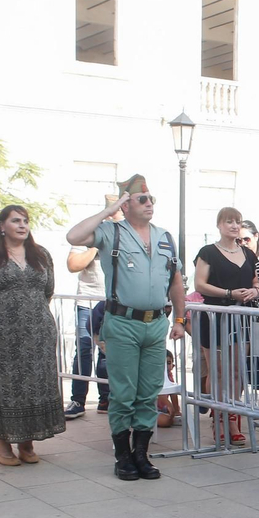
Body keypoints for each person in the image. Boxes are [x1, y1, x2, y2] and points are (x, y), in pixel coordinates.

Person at [65, 175, 186, 482]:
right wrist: (110, 210)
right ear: (126, 203)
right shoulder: (111, 233)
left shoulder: (164, 237)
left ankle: (141, 455)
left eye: (151, 199)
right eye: (141, 199)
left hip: (155, 324)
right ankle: (122, 456)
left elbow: (175, 281)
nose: (149, 204)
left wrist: (181, 320)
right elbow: (73, 236)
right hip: (122, 323)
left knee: (148, 393)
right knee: (123, 393)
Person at [0, 206, 66, 466]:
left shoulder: (41, 255)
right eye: (15, 220)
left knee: (32, 388)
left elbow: (47, 291)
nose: (22, 225)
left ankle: (27, 444)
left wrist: (32, 316)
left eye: (26, 221)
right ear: (2, 226)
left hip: (36, 337)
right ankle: (3, 447)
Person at [194, 207, 259, 445]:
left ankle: (232, 416)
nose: (234, 226)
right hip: (215, 316)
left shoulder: (248, 253)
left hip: (240, 317)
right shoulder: (208, 252)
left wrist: (254, 291)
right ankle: (219, 417)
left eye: (238, 222)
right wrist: (229, 293)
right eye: (229, 222)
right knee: (217, 370)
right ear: (219, 225)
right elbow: (200, 284)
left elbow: (256, 281)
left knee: (236, 371)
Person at [65, 201, 114, 419]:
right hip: (87, 302)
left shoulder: (128, 234)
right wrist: (98, 243)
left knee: (108, 353)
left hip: (112, 303)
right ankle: (78, 400)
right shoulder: (90, 233)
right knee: (84, 350)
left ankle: (106, 398)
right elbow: (73, 264)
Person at [156, 351, 182, 428]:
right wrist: (169, 405)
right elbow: (157, 392)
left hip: (162, 407)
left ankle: (172, 414)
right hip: (150, 408)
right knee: (166, 422)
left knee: (176, 414)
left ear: (173, 365)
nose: (165, 366)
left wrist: (176, 410)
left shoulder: (169, 376)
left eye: (168, 363)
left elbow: (173, 393)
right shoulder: (155, 376)